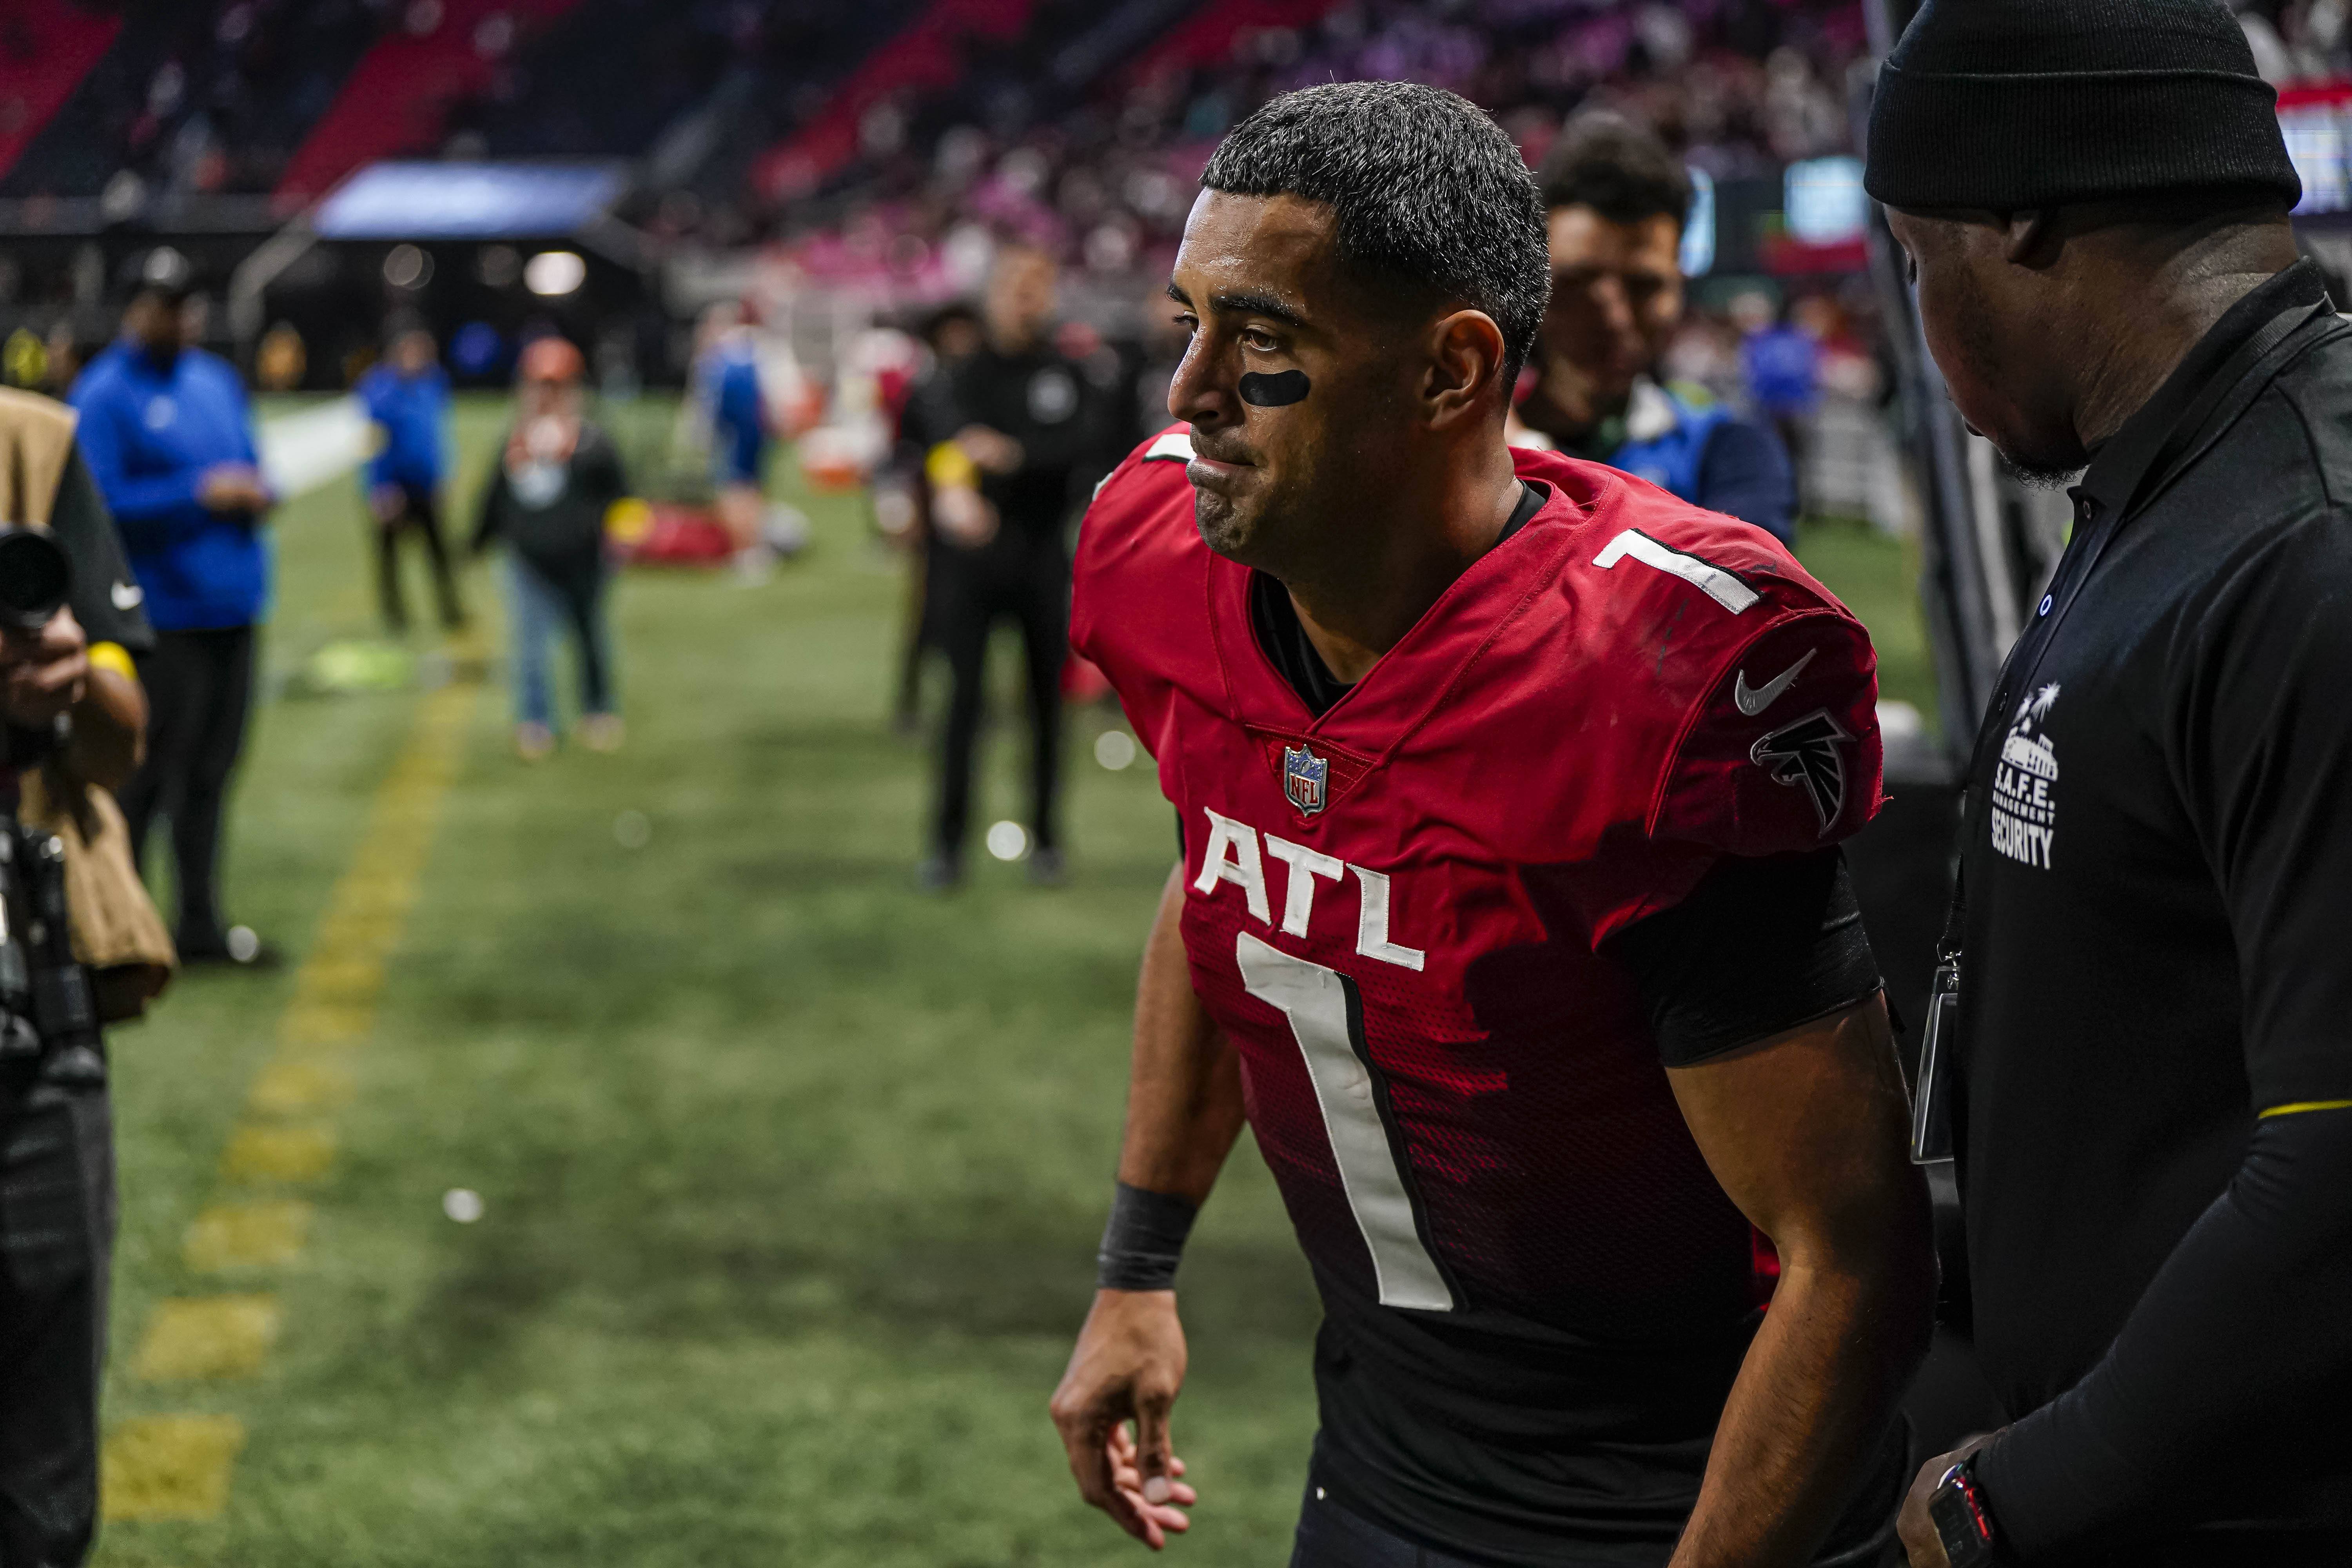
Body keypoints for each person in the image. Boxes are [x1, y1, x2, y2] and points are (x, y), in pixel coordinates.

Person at [1052, 81, 1933, 1568]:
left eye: (1258, 342)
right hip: (1382, 1460)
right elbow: (1229, 880)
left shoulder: (1661, 668)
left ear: (1454, 371)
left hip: (1682, 1495)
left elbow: (1852, 1252)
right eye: (1185, 322)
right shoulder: (1157, 546)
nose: (1186, 393)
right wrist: (1138, 1264)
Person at [1864, 3, 2352, 1565]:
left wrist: (2032, 1490)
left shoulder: (2308, 548)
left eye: (1918, 259)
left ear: (2016, 215)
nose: (1923, 320)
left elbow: (2344, 1160)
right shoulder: (2179, 479)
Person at [0, 385, 156, 1568]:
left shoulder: (34, 445)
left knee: (48, 1478)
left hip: (31, 1003)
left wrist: (67, 675)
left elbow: (120, 728)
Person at [69, 250, 274, 967]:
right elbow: (94, 507)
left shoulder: (215, 381)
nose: (179, 317)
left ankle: (201, 923)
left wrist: (256, 490)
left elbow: (252, 463)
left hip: (233, 607)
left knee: (214, 776)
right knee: (145, 781)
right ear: (135, 310)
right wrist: (198, 493)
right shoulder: (104, 395)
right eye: (163, 304)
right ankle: (123, 930)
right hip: (162, 619)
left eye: (186, 304)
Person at [1515, 113, 1798, 544]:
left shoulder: (1728, 451)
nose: (1614, 318)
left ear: (1679, 288)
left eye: (1643, 286)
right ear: (1532, 282)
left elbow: (1739, 599)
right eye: (1577, 283)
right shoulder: (1470, 444)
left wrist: (1525, 465)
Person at [917, 245, 1094, 890]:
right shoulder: (962, 371)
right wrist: (953, 487)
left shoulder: (1066, 371)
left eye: (1035, 287)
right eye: (1014, 287)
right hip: (971, 564)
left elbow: (1080, 452)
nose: (1025, 300)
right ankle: (946, 846)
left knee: (1047, 706)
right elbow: (938, 442)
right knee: (962, 704)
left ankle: (1046, 840)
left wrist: (1012, 456)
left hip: (1043, 559)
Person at [471, 337, 627, 760]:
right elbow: (494, 498)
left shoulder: (592, 442)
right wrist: (476, 542)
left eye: (556, 385)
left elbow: (621, 498)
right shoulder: (515, 442)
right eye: (539, 385)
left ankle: (598, 711)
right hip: (528, 560)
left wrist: (619, 540)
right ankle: (535, 721)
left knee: (590, 637)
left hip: (585, 559)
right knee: (530, 647)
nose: (546, 395)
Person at [354, 321, 463, 635]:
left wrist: (443, 477)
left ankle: (450, 610)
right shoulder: (380, 390)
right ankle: (395, 616)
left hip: (425, 484)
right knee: (390, 558)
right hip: (394, 487)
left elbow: (437, 438)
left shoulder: (431, 385)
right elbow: (372, 444)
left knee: (439, 552)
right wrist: (378, 488)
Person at [692, 303, 774, 583]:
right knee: (751, 488)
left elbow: (708, 404)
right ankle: (754, 549)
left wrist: (701, 436)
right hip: (757, 432)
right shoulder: (755, 350)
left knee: (734, 491)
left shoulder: (718, 359)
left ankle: (745, 551)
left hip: (733, 433)